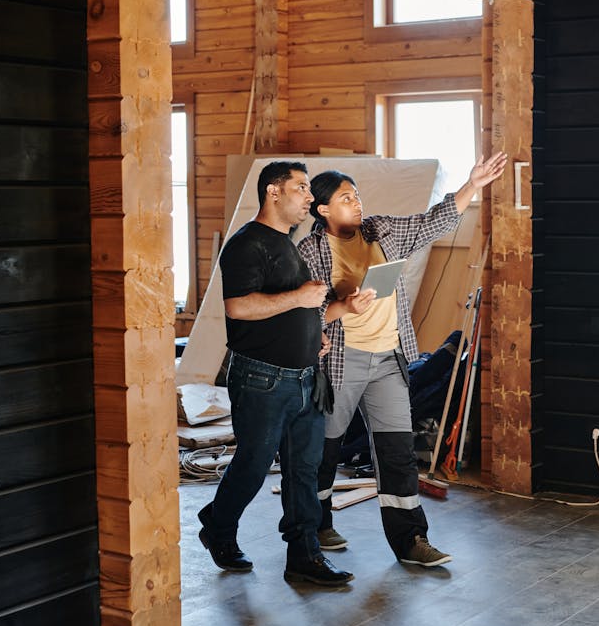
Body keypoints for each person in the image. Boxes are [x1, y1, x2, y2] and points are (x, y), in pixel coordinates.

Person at [297, 152, 507, 567]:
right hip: (341, 361)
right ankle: (316, 525)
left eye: (357, 195)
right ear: (323, 210)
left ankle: (411, 540)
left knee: (397, 452)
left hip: (388, 359)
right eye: (345, 198)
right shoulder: (310, 250)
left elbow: (434, 221)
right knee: (324, 449)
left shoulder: (382, 231)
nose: (357, 203)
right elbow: (303, 313)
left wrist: (473, 184)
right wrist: (345, 305)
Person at [197, 161, 353, 586]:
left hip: (305, 377)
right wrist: (301, 298)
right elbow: (239, 307)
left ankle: (304, 555)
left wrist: (314, 336)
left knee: (304, 470)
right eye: (301, 188)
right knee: (253, 465)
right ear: (273, 191)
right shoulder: (247, 244)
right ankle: (219, 526)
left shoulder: (287, 244)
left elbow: (290, 309)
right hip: (262, 379)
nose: (309, 197)